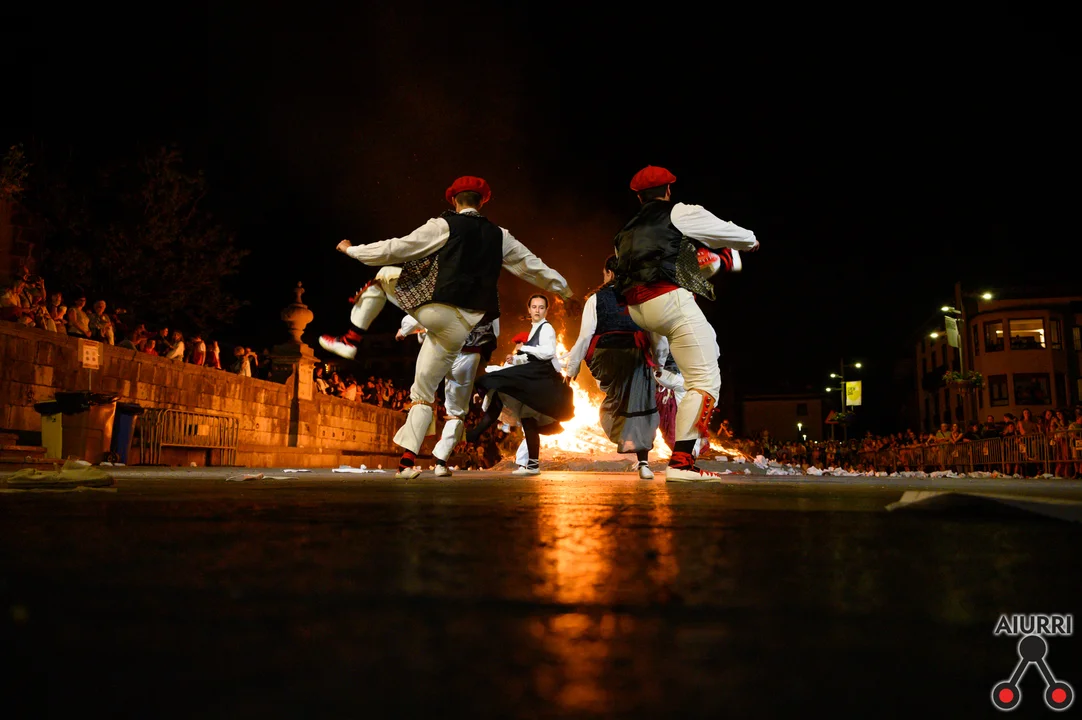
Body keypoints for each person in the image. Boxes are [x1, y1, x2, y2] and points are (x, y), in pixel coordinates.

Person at [324, 175, 572, 479]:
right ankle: (414, 463)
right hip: (461, 329)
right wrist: (564, 290)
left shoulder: (445, 224)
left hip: (437, 311)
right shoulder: (499, 236)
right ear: (483, 202)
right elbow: (532, 266)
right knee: (447, 404)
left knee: (384, 275)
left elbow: (398, 247)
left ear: (454, 200)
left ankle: (350, 340)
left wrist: (353, 251)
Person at [613, 165, 758, 481]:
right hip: (667, 302)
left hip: (638, 310)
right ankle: (681, 462)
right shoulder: (678, 212)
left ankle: (718, 263)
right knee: (705, 379)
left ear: (638, 198)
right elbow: (731, 232)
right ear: (668, 191)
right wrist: (748, 242)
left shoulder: (625, 231)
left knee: (697, 339)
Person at [562, 255, 659, 479]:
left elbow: (585, 337)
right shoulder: (641, 297)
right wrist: (659, 363)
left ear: (609, 273)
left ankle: (624, 434)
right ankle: (644, 463)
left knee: (618, 400)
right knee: (639, 402)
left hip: (607, 358)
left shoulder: (595, 299)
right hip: (635, 356)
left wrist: (571, 370)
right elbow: (655, 333)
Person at [465, 294, 574, 475]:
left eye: (541, 307)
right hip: (534, 373)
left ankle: (477, 432)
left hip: (540, 377)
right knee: (527, 417)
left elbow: (548, 352)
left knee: (496, 382)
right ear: (529, 309)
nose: (537, 310)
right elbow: (531, 356)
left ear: (546, 310)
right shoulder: (535, 329)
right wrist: (516, 359)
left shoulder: (547, 328)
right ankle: (532, 465)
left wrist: (524, 348)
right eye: (534, 307)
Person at [395, 310, 500, 478]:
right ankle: (440, 464)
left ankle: (406, 463)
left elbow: (429, 307)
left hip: (440, 342)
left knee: (422, 397)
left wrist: (406, 328)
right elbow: (494, 331)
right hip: (469, 350)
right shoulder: (488, 295)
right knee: (456, 411)